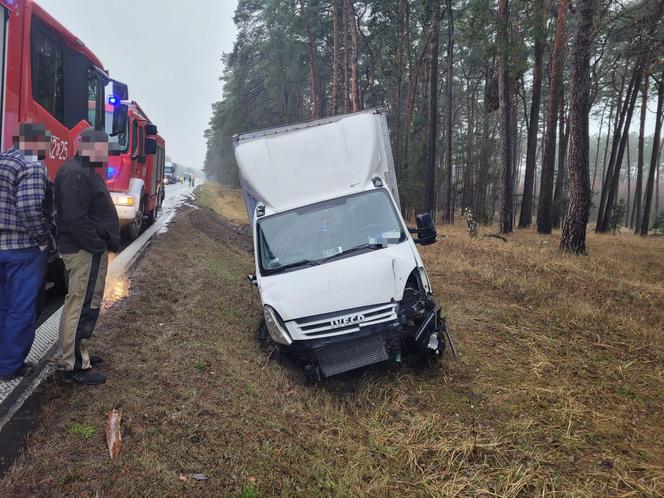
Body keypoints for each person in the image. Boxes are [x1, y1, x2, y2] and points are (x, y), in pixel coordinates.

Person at [54, 128, 120, 385]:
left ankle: (74, 354)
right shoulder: (76, 173)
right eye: (101, 147)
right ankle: (75, 365)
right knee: (83, 305)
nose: (105, 153)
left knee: (78, 303)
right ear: (87, 147)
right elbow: (75, 218)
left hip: (85, 250)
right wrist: (96, 245)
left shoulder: (82, 170)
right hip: (84, 252)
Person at [0, 123, 53, 381]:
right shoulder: (31, 165)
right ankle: (9, 366)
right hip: (23, 249)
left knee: (3, 306)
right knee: (21, 308)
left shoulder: (3, 160)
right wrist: (43, 238)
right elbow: (30, 207)